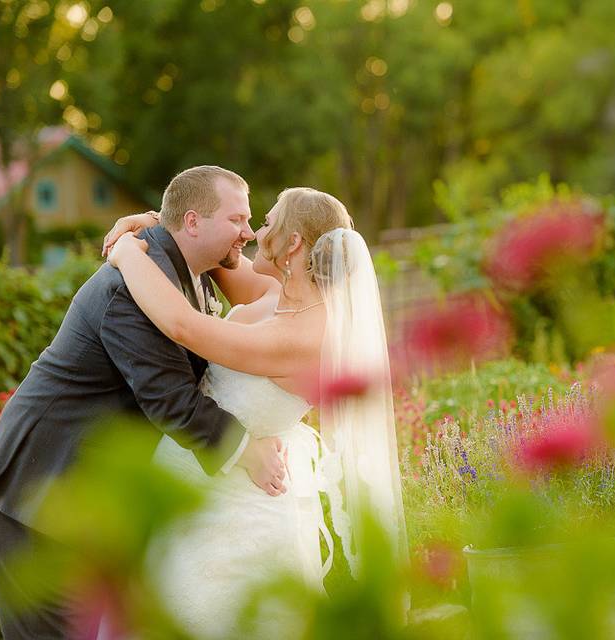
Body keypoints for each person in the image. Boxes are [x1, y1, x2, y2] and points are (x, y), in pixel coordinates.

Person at [0, 165, 288, 640]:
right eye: (238, 219)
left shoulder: (189, 270)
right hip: (43, 489)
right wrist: (246, 449)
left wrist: (147, 219)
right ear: (195, 222)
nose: (248, 232)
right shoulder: (134, 285)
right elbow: (169, 398)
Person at [104, 186, 408, 637]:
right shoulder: (278, 294)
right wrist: (151, 222)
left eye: (266, 222)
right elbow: (217, 257)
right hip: (198, 491)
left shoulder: (303, 338)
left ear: (293, 244)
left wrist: (126, 254)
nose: (253, 232)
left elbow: (182, 325)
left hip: (235, 513)